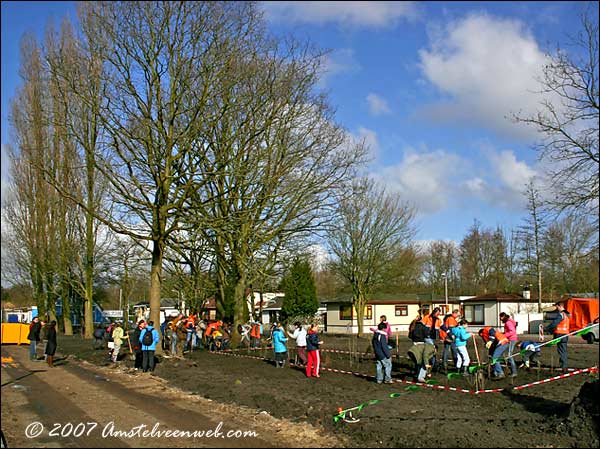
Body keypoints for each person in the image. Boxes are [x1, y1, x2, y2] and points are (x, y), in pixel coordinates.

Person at [407, 315, 436, 382]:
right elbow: (427, 335)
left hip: (414, 344)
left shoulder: (412, 326)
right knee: (422, 360)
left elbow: (410, 336)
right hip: (422, 344)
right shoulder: (423, 327)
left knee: (417, 361)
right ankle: (421, 375)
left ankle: (416, 373)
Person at [544, 302, 571, 370]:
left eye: (557, 307)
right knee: (563, 350)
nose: (556, 309)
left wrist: (546, 328)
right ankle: (563, 365)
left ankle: (563, 366)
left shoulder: (561, 314)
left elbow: (555, 323)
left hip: (559, 334)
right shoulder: (567, 314)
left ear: (559, 306)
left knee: (560, 350)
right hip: (565, 334)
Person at [499, 312, 518, 377]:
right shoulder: (509, 322)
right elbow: (508, 331)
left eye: (500, 317)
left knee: (509, 355)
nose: (500, 319)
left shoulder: (508, 323)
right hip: (510, 339)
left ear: (503, 317)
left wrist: (504, 335)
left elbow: (512, 331)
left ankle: (514, 372)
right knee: (506, 353)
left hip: (511, 339)